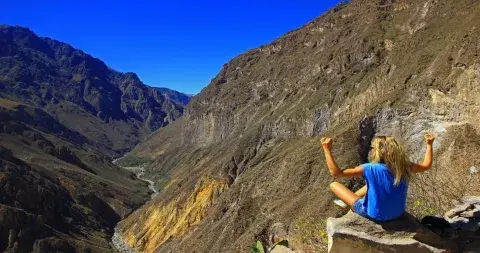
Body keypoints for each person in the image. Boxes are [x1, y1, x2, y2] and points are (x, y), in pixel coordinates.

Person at [321, 134, 435, 221]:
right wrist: (429, 145)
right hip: (397, 213)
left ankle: (347, 202)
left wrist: (327, 150)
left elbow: (336, 173)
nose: (371, 150)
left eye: (372, 148)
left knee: (334, 184)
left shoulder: (369, 168)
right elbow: (426, 165)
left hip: (373, 214)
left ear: (377, 151)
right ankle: (353, 198)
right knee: (371, 185)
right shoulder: (405, 166)